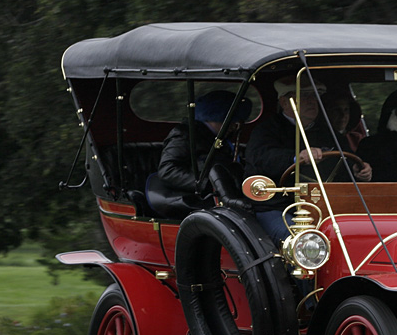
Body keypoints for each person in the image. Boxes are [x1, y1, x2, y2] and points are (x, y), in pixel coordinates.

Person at [244, 78, 372, 244]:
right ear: (284, 102)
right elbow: (263, 158)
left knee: (362, 236)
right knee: (302, 242)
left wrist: (358, 171)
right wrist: (297, 157)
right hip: (278, 207)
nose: (312, 101)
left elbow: (345, 161)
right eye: (304, 96)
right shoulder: (267, 130)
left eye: (315, 96)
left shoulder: (329, 132)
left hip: (326, 208)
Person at [151, 89, 252, 216]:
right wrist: (208, 184)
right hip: (198, 198)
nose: (234, 127)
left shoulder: (220, 139)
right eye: (232, 122)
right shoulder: (185, 136)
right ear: (216, 115)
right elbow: (168, 171)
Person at [323, 85, 368, 151]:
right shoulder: (319, 139)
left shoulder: (357, 139)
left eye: (346, 110)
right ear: (327, 112)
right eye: (337, 110)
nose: (343, 115)